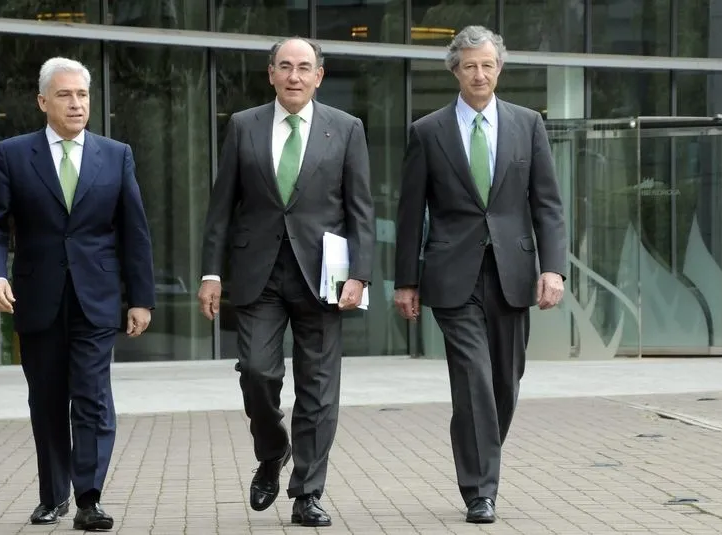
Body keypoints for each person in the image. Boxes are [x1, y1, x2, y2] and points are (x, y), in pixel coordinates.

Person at [197, 37, 375, 528]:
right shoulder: (243, 125)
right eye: (285, 67)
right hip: (259, 273)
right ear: (270, 73)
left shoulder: (346, 129)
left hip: (324, 277)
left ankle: (307, 493)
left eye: (304, 68)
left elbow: (361, 209)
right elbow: (221, 207)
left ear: (319, 75)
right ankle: (273, 450)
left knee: (319, 387)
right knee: (256, 372)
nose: (294, 76)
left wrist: (360, 275)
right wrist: (211, 272)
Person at [0, 56, 155, 532]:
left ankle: (89, 498)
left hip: (96, 297)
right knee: (47, 398)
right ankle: (52, 496)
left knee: (92, 396)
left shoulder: (116, 155)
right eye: (65, 95)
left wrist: (140, 298)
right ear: (42, 102)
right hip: (36, 298)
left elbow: (134, 232)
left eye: (83, 96)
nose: (76, 104)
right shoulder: (12, 154)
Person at [393, 26, 567, 525]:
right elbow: (410, 213)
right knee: (473, 378)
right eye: (470, 65)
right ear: (455, 70)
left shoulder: (527, 124)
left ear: (499, 68)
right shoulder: (427, 131)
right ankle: (480, 490)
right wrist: (406, 281)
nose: (479, 73)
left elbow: (548, 204)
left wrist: (552, 268)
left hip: (512, 272)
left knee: (504, 385)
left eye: (487, 64)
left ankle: (480, 456)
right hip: (452, 276)